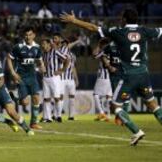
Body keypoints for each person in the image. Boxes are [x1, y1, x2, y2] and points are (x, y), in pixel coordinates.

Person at [60, 9, 162, 146]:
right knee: (153, 104)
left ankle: (136, 131)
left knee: (115, 106)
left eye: (121, 18)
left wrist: (74, 21)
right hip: (143, 74)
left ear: (124, 19)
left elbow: (93, 28)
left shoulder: (118, 32)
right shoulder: (145, 31)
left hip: (128, 76)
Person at [6, 26, 45, 129]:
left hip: (32, 77)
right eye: (26, 35)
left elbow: (40, 60)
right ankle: (14, 98)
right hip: (21, 77)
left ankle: (33, 123)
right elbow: (9, 58)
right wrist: (13, 73)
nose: (28, 37)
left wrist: (42, 67)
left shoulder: (37, 47)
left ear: (34, 35)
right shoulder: (18, 47)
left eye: (30, 35)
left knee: (36, 98)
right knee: (25, 103)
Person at [40, 39, 69, 123]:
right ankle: (48, 118)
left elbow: (67, 59)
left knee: (56, 97)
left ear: (49, 44)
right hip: (45, 77)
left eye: (44, 44)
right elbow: (42, 65)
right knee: (46, 98)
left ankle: (58, 115)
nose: (43, 46)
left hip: (54, 77)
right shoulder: (43, 54)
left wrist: (62, 70)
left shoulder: (55, 52)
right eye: (42, 44)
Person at [92, 39, 113, 122]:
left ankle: (101, 113)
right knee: (109, 96)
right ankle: (109, 115)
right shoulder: (113, 52)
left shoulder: (103, 52)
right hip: (111, 77)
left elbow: (94, 55)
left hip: (103, 77)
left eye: (102, 45)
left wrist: (98, 45)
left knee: (96, 95)